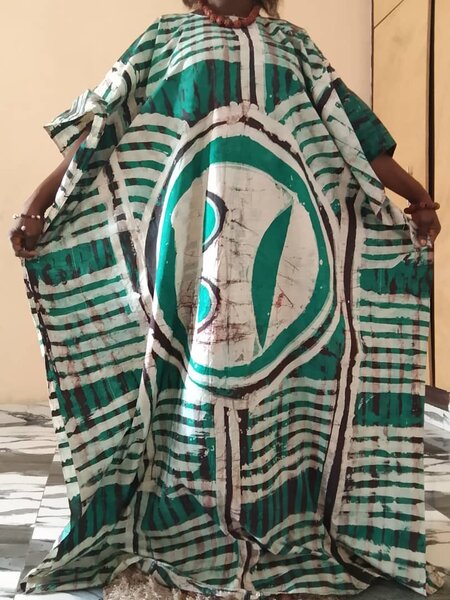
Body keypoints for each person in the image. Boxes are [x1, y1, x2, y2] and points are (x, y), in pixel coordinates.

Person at [9, 0, 445, 598]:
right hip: (188, 259)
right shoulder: (164, 39)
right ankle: (181, 526)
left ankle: (283, 520)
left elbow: (353, 133)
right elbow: (97, 134)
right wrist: (36, 206)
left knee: (281, 393)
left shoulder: (294, 45)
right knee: (183, 395)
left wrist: (416, 197)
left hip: (286, 267)